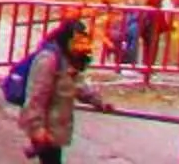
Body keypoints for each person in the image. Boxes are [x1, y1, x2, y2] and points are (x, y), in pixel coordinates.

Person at [21, 17, 111, 163]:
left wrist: (98, 101)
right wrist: (37, 128)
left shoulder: (67, 59)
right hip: (47, 128)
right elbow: (35, 96)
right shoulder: (48, 60)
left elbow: (78, 85)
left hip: (55, 129)